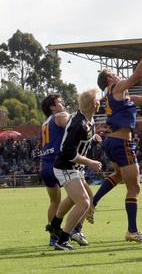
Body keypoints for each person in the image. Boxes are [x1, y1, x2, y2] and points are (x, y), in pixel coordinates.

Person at [91, 36, 142, 243]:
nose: (117, 75)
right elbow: (138, 75)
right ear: (109, 80)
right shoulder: (116, 89)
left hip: (113, 142)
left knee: (117, 176)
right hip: (121, 142)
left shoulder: (121, 96)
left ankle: (93, 201)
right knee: (134, 187)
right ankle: (132, 230)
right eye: (113, 73)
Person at [49, 89, 104, 251]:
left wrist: (94, 138)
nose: (99, 102)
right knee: (84, 202)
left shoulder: (88, 119)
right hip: (66, 166)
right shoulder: (78, 123)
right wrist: (91, 162)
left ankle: (55, 226)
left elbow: (83, 137)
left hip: (73, 168)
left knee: (76, 199)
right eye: (98, 100)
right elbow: (68, 152)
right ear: (93, 104)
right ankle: (63, 239)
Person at [40, 94, 89, 247]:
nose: (63, 104)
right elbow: (72, 124)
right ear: (52, 107)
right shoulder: (60, 116)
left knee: (55, 201)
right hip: (59, 163)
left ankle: (53, 237)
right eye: (59, 102)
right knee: (85, 197)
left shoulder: (44, 123)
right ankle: (74, 230)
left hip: (45, 164)